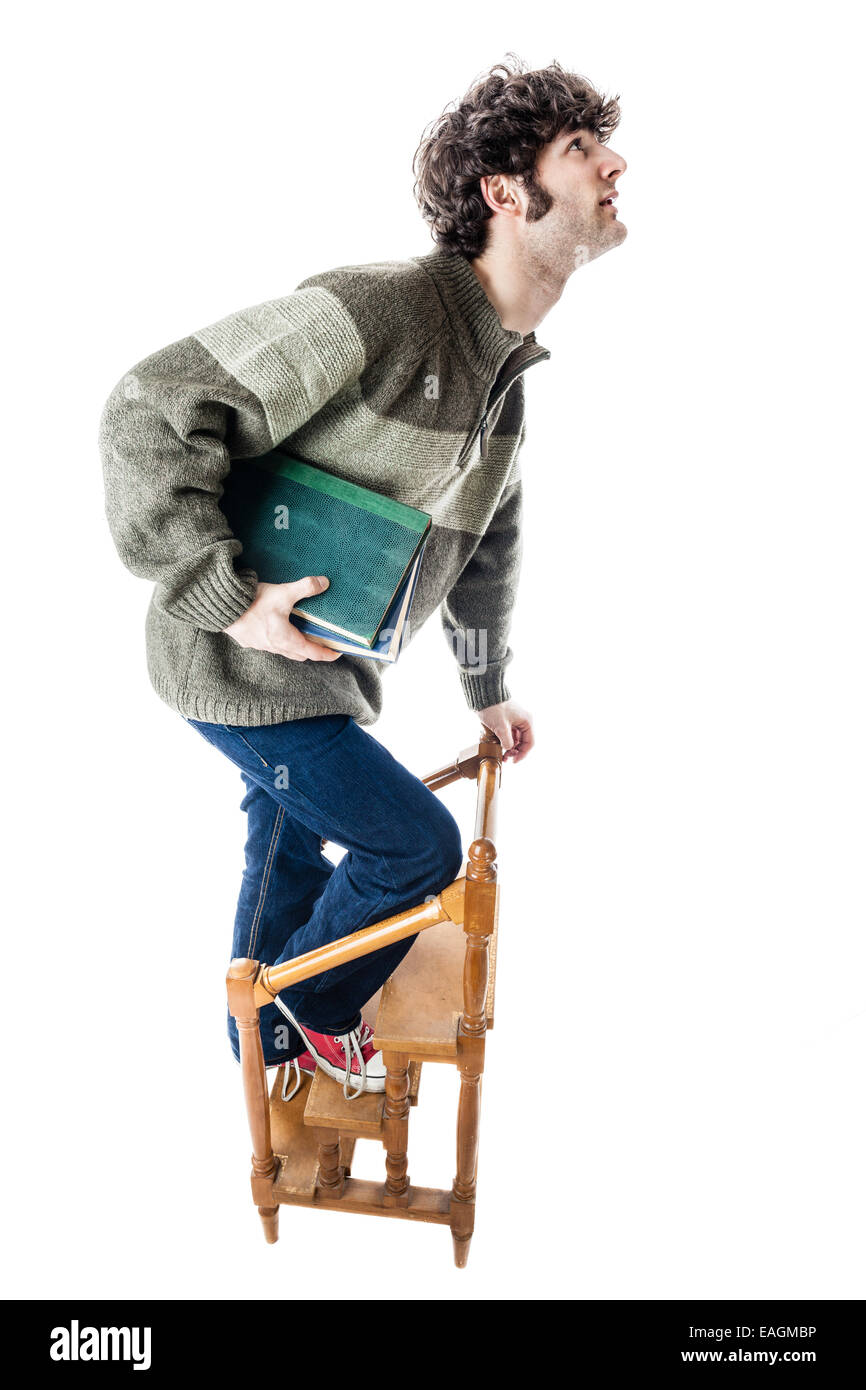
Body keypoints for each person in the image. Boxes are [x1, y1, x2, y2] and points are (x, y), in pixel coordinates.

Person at [99, 55, 627, 1098]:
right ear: (503, 195)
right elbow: (148, 408)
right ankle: (314, 1006)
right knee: (413, 850)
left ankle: (261, 1048)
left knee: (288, 856)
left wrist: (485, 689)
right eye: (580, 149)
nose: (615, 163)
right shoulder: (383, 310)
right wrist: (225, 596)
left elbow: (484, 549)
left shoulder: (503, 377)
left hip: (322, 678)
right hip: (237, 666)